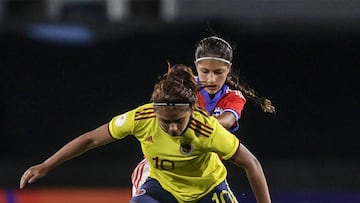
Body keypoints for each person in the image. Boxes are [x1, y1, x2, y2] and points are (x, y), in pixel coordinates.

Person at [20, 64, 272, 203]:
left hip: (208, 190)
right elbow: (91, 139)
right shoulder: (142, 118)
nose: (172, 128)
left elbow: (252, 164)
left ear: (192, 111)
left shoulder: (206, 130)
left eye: (178, 122)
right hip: (162, 187)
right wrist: (46, 165)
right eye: (166, 122)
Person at [131, 35, 275, 197]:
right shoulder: (182, 90)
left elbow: (227, 121)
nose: (211, 79)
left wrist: (194, 125)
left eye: (218, 72)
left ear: (228, 69)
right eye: (205, 72)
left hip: (202, 175)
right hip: (161, 170)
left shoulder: (233, 97)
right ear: (196, 67)